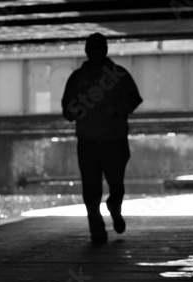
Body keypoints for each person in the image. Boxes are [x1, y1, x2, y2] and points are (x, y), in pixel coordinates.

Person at [61, 33, 143, 244]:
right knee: (90, 190)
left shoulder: (119, 75)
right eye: (92, 49)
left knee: (116, 185)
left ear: (105, 50)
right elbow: (66, 109)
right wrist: (74, 110)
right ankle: (96, 230)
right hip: (87, 142)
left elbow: (134, 98)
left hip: (114, 141)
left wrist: (116, 108)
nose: (96, 52)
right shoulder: (77, 78)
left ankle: (114, 208)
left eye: (99, 48)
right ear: (87, 51)